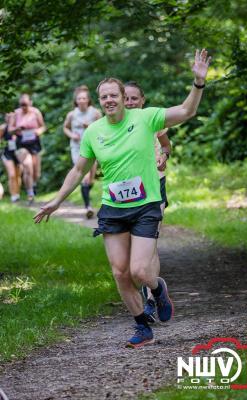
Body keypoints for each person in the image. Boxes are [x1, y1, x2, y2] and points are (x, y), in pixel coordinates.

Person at [34, 49, 211, 348]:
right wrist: (58, 200)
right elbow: (79, 170)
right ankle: (143, 327)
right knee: (119, 272)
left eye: (113, 95)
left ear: (122, 95)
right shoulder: (94, 131)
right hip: (113, 209)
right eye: (104, 97)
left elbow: (185, 111)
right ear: (99, 101)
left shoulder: (145, 118)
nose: (109, 100)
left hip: (145, 206)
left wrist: (198, 83)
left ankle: (158, 288)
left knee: (140, 271)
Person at [124, 81, 171, 323]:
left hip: (155, 184)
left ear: (143, 100)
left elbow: (166, 146)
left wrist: (164, 157)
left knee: (151, 242)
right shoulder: (114, 126)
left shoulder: (153, 120)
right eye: (126, 99)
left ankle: (152, 300)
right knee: (134, 250)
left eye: (134, 98)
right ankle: (153, 287)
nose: (130, 103)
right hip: (128, 191)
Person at [63, 85, 102, 218]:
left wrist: (90, 127)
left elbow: (103, 128)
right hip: (77, 148)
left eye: (84, 98)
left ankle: (86, 189)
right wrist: (71, 135)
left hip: (93, 147)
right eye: (79, 98)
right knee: (84, 177)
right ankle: (88, 207)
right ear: (76, 100)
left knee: (90, 179)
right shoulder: (71, 114)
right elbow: (65, 128)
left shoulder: (95, 113)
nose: (81, 100)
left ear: (88, 99)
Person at [9, 94, 46, 203]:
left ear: (30, 103)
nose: (24, 107)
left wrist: (39, 131)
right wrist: (17, 128)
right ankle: (30, 193)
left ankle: (33, 185)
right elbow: (10, 129)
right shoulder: (16, 114)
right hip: (21, 143)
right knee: (27, 167)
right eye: (22, 105)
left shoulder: (36, 112)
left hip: (34, 143)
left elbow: (43, 126)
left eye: (25, 104)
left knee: (36, 173)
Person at [0, 113, 22, 202]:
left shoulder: (19, 128)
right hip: (6, 153)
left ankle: (17, 194)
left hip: (17, 153)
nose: (9, 118)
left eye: (11, 116)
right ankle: (13, 196)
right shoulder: (3, 127)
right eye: (7, 116)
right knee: (12, 174)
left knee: (18, 175)